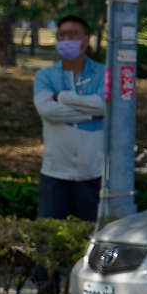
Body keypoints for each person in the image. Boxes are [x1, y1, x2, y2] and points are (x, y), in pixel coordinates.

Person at [32, 14, 108, 221]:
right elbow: (47, 110)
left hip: (93, 172)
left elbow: (105, 105)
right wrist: (91, 112)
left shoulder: (104, 73)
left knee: (93, 238)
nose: (67, 39)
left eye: (73, 34)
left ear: (86, 39)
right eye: (62, 35)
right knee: (48, 237)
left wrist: (62, 97)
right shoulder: (45, 76)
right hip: (55, 173)